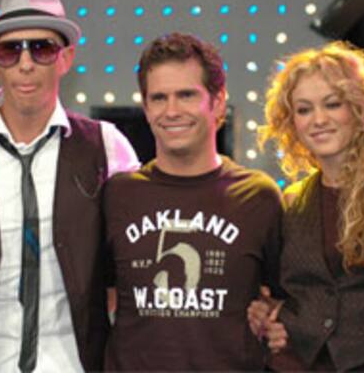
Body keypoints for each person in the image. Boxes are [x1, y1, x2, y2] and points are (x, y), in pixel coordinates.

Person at [0, 0, 138, 372]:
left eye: (42, 49)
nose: (25, 64)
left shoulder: (107, 146)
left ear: (66, 57)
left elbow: (140, 253)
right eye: (10, 50)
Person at [103, 32, 284, 371]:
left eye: (186, 95)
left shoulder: (258, 196)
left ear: (217, 102)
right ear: (146, 108)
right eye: (159, 98)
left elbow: (283, 301)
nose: (171, 111)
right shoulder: (117, 195)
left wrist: (271, 316)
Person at [248, 41, 364, 371]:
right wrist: (268, 311)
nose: (318, 120)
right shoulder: (292, 201)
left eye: (332, 104)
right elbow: (281, 291)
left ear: (361, 108)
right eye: (304, 109)